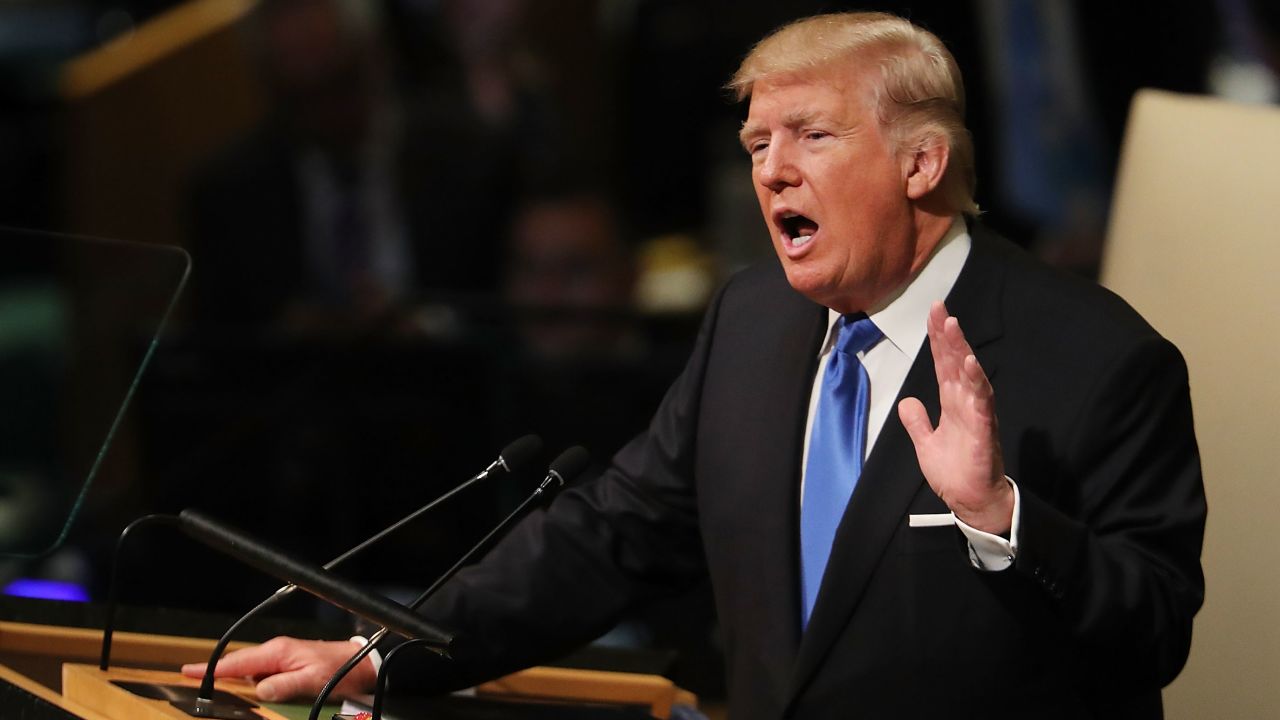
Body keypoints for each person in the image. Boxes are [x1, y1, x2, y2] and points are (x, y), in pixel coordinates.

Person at [183, 12, 1205, 717]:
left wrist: (1002, 519)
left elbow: (1153, 628)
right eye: (756, 143)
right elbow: (608, 535)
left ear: (919, 162)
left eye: (809, 134)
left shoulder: (1102, 361)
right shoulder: (753, 320)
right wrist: (383, 649)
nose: (770, 171)